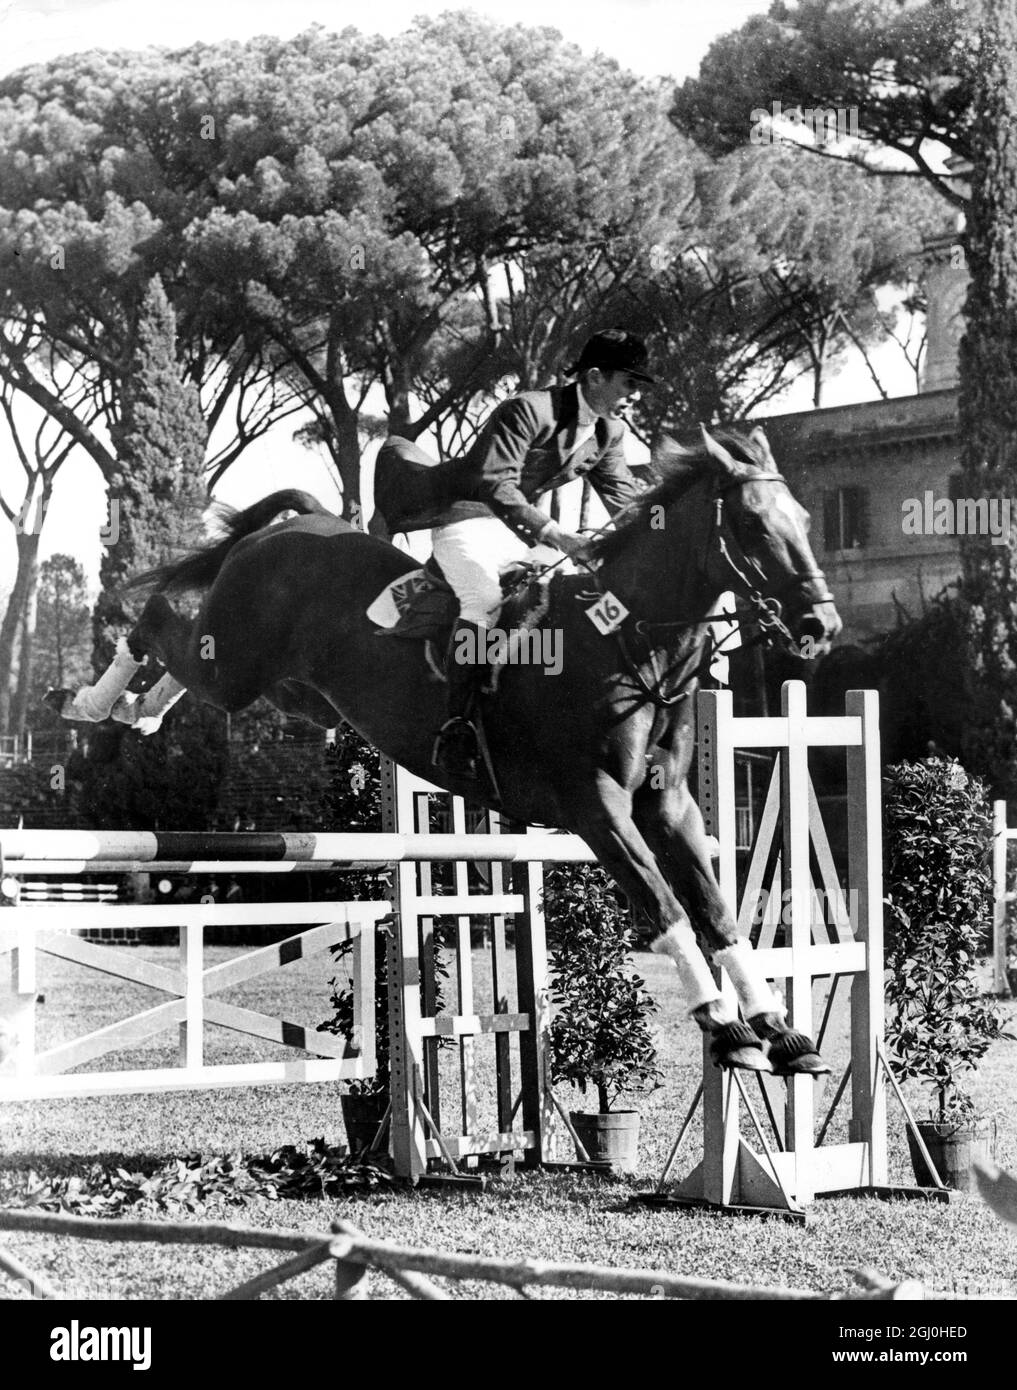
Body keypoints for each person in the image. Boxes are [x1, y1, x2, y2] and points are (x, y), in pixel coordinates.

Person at [373, 328, 654, 779]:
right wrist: (558, 536)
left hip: (515, 530)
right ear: (596, 377)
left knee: (566, 598)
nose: (633, 395)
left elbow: (625, 500)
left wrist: (660, 527)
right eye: (629, 383)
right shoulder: (527, 409)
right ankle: (458, 721)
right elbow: (495, 484)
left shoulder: (609, 432)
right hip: (462, 517)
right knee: (483, 599)